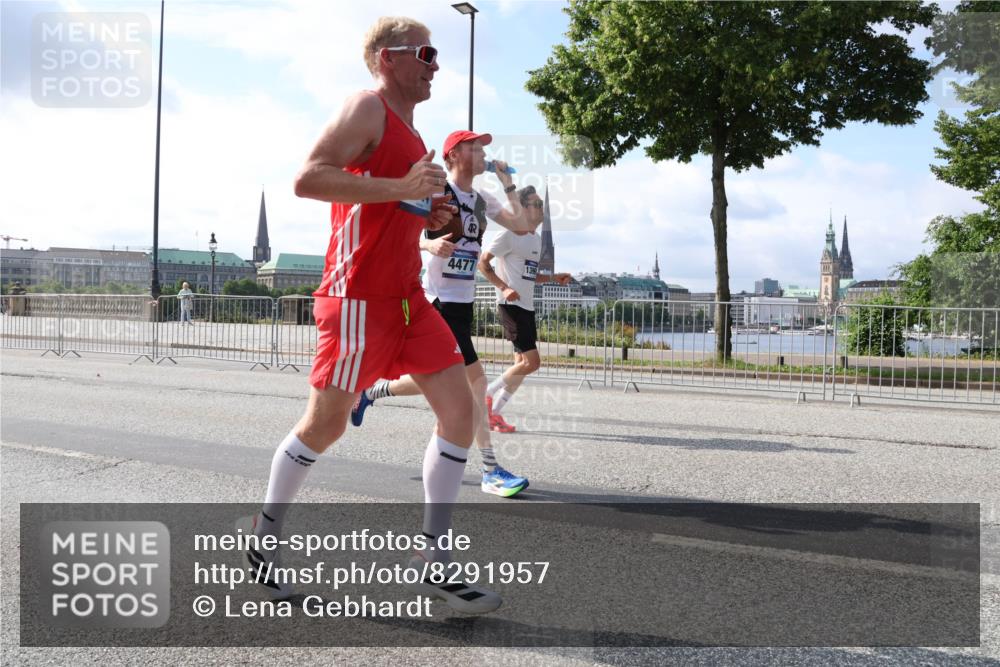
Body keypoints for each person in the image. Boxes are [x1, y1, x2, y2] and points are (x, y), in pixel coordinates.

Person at [236, 17, 501, 614]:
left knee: (462, 411)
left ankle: (433, 560)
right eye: (425, 52)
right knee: (324, 426)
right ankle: (264, 539)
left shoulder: (410, 130)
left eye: (437, 54)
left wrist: (428, 213)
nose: (436, 64)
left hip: (409, 297)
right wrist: (401, 186)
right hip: (357, 297)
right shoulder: (367, 107)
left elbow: (393, 200)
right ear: (388, 58)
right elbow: (308, 179)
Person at [351, 130, 531, 498]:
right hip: (437, 301)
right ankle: (491, 470)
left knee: (441, 382)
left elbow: (522, 225)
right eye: (474, 147)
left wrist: (509, 184)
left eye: (484, 148)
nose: (483, 153)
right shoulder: (437, 191)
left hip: (462, 303)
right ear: (453, 155)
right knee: (475, 385)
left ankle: (372, 393)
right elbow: (401, 229)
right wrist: (428, 242)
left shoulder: (482, 199)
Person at [478, 186, 571, 431]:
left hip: (526, 306)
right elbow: (483, 263)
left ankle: (494, 414)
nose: (542, 209)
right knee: (532, 362)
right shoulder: (509, 234)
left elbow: (529, 276)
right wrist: (503, 287)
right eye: (537, 204)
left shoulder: (536, 240)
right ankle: (483, 397)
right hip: (511, 305)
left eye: (543, 205)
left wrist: (553, 278)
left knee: (520, 365)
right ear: (523, 208)